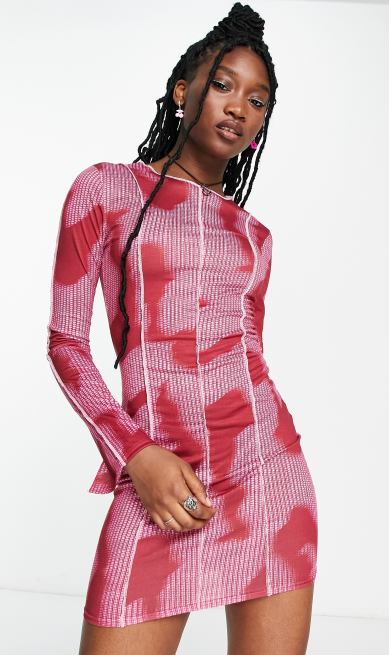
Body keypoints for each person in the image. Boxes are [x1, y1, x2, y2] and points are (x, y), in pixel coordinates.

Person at [46, 3, 318, 653]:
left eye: (257, 100)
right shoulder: (106, 190)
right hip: (156, 475)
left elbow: (247, 357)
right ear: (181, 91)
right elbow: (66, 343)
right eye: (223, 84)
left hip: (267, 480)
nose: (238, 106)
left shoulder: (254, 237)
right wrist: (135, 455)